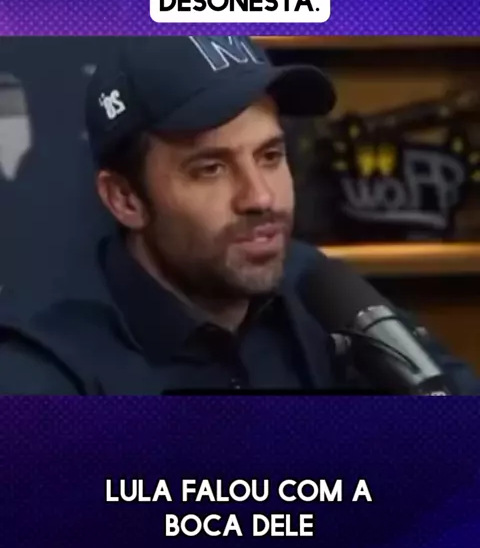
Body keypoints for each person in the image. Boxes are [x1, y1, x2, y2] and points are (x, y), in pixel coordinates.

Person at [0, 35, 478, 395]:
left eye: (270, 156)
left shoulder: (316, 289)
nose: (261, 197)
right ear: (125, 198)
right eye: (211, 168)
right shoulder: (45, 364)